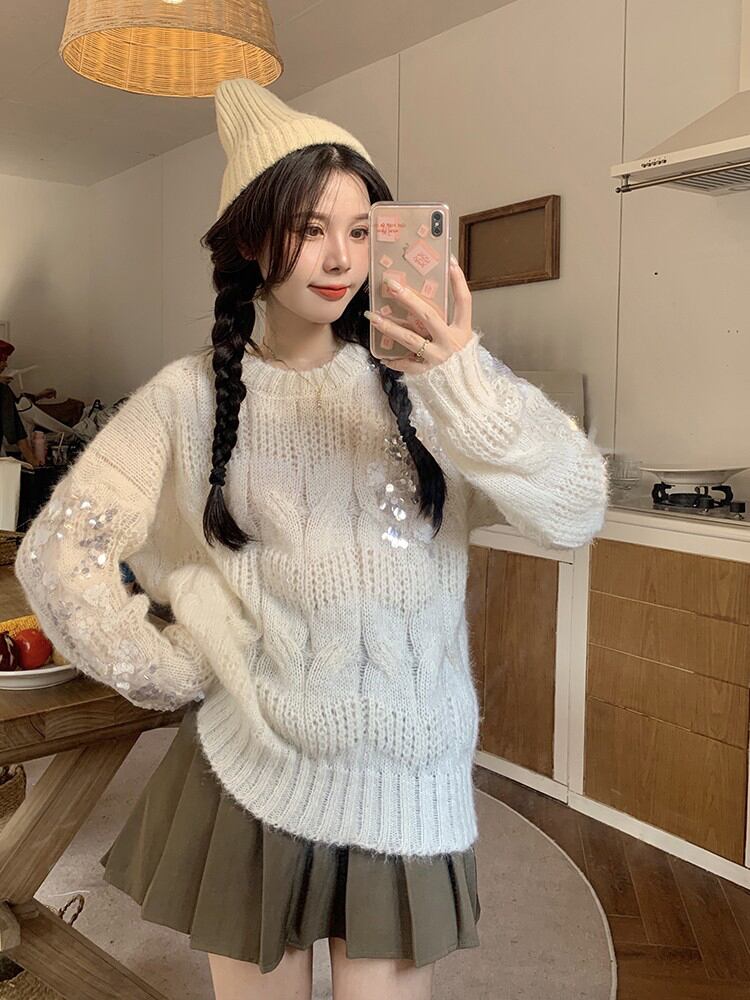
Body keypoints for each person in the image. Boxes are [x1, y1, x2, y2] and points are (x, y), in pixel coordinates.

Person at [14, 78, 611, 1000]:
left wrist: (462, 379)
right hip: (256, 771)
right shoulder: (188, 397)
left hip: (409, 780)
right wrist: (167, 666)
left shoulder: (439, 385)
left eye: (361, 229)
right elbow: (60, 549)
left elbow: (575, 510)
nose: (340, 257)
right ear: (254, 241)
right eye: (309, 228)